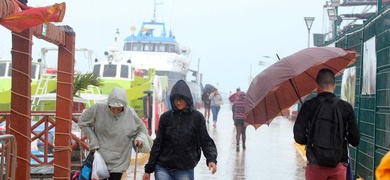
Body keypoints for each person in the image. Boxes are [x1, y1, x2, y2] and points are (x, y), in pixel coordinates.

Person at [142, 80, 218, 180]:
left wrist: (211, 159)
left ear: (187, 99)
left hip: (185, 169)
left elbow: (205, 140)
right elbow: (158, 144)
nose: (178, 102)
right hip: (162, 167)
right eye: (175, 100)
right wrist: (148, 169)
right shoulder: (166, 117)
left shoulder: (197, 118)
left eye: (180, 100)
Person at [293, 68, 360, 180]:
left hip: (315, 166)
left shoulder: (309, 106)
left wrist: (312, 140)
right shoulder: (345, 107)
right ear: (334, 85)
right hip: (338, 164)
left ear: (317, 86)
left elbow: (298, 137)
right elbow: (355, 140)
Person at [78, 87, 153, 180]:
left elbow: (141, 131)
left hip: (119, 158)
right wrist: (93, 139)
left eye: (119, 109)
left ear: (124, 107)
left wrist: (140, 139)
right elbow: (82, 121)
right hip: (100, 155)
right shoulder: (98, 109)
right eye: (113, 108)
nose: (115, 111)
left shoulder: (130, 114)